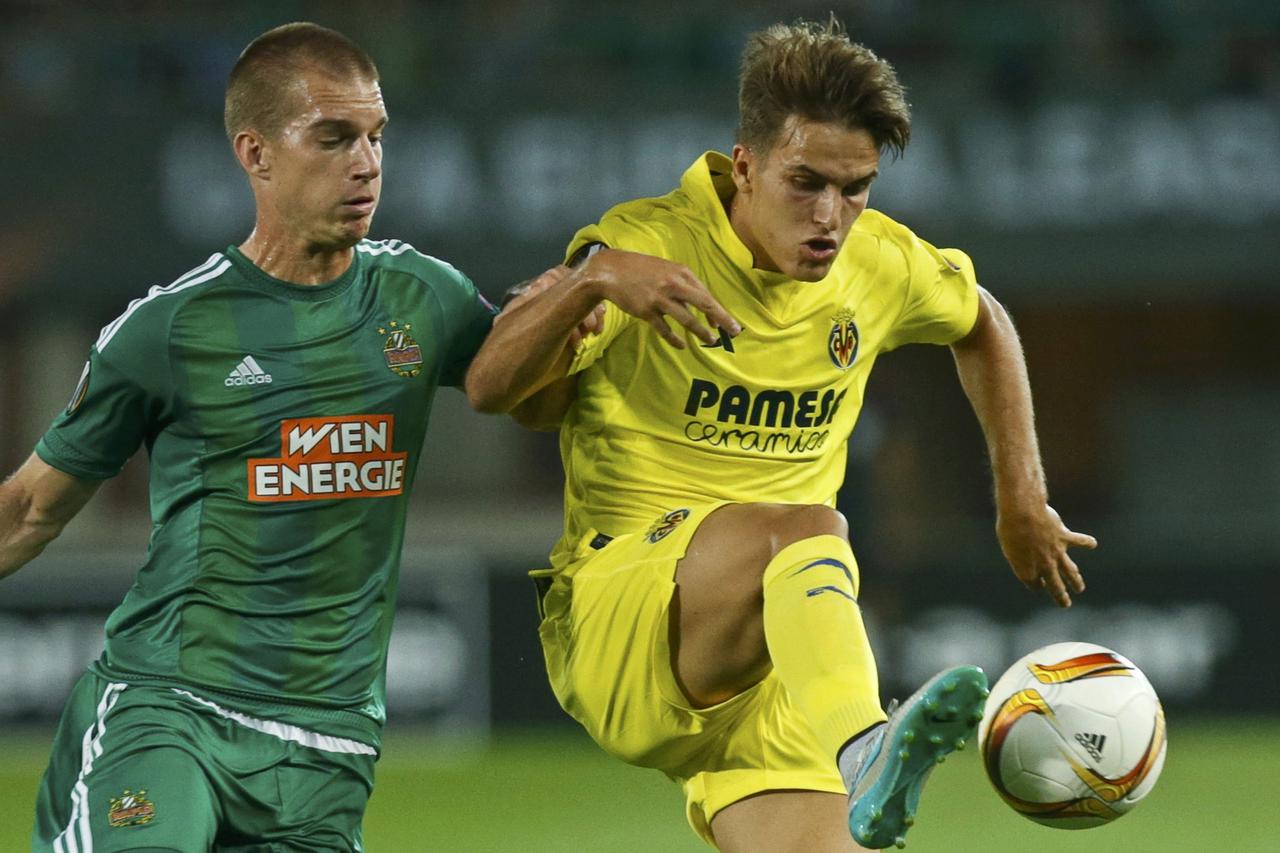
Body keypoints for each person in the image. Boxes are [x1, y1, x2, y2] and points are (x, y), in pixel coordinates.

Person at [466, 18, 1097, 852]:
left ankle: (856, 745)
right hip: (626, 623)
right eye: (806, 183)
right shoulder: (650, 245)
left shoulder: (879, 262)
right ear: (746, 164)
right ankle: (868, 743)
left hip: (780, 674)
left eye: (856, 186)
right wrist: (594, 280)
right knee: (804, 524)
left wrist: (1022, 500)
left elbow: (982, 321)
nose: (831, 216)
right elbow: (487, 385)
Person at [0, 21, 590, 852]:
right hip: (174, 708)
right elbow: (29, 508)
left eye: (377, 136)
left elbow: (533, 399)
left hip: (329, 745)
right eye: (334, 137)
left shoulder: (424, 298)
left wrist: (577, 309)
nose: (367, 161)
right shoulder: (170, 329)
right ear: (256, 152)